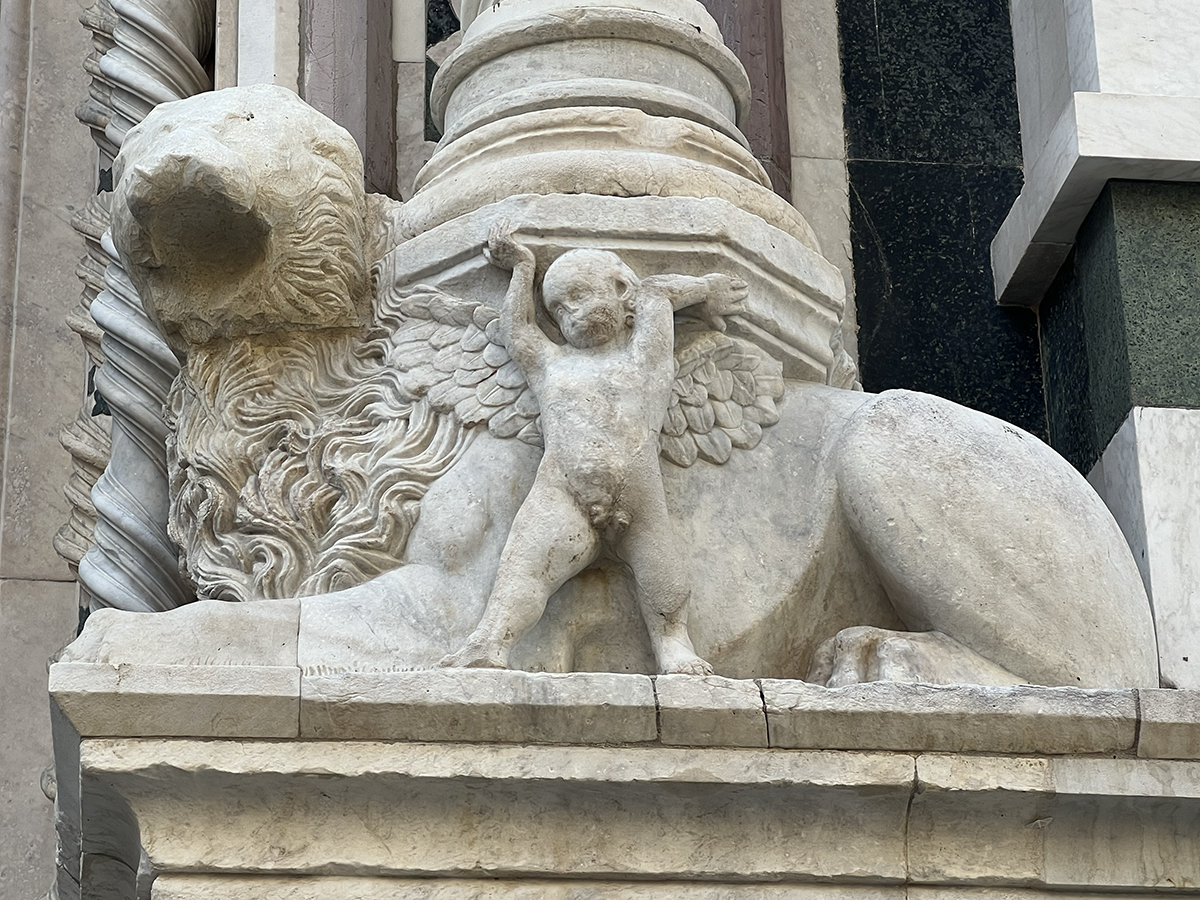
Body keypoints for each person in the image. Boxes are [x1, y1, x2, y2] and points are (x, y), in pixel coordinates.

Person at [439, 223, 747, 673]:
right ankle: (488, 642)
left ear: (621, 289)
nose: (568, 313)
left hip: (638, 496)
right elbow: (518, 331)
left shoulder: (645, 357)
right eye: (558, 309)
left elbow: (657, 292)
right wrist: (522, 267)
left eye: (578, 296)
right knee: (525, 566)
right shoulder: (551, 364)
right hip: (564, 491)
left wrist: (706, 290)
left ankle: (673, 647)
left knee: (663, 575)